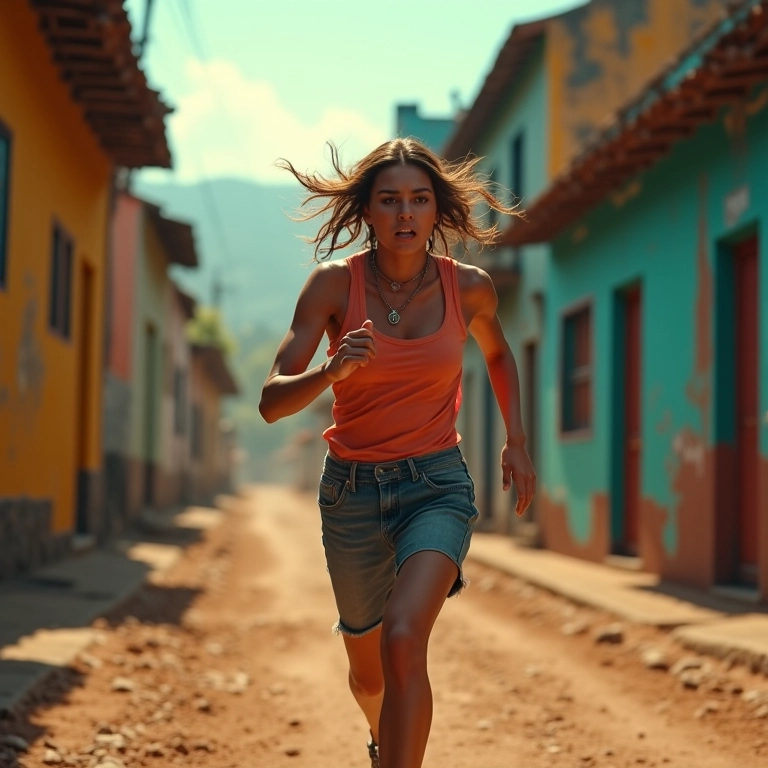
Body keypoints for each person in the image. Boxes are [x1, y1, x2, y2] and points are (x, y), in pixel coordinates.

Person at [259, 137, 535, 768]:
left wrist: (517, 440)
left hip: (436, 485)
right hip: (350, 494)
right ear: (367, 211)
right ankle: (386, 743)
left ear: (437, 209)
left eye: (419, 199)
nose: (405, 214)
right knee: (369, 676)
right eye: (389, 201)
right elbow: (272, 401)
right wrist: (330, 373)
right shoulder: (333, 286)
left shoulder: (470, 289)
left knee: (406, 638)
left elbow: (497, 353)